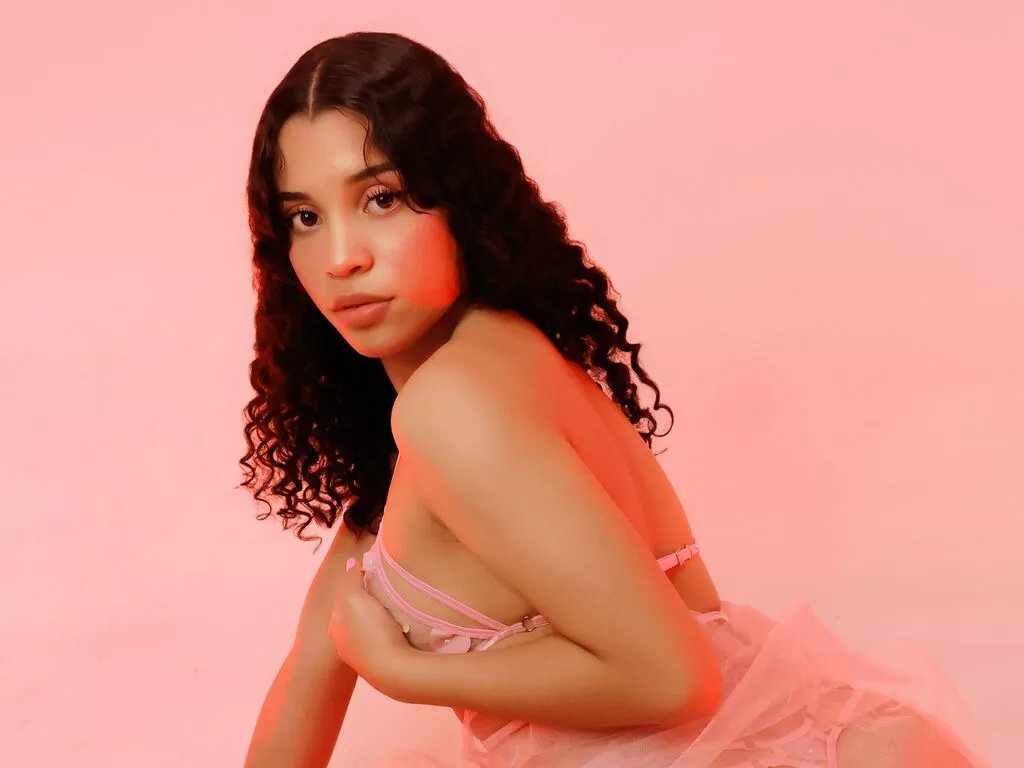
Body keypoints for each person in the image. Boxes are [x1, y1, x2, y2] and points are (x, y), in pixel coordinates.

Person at [239, 32, 989, 768]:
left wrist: (407, 672)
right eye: (305, 217)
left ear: (460, 200)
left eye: (381, 198)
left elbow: (674, 678)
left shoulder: (453, 403)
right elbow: (310, 669)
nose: (341, 257)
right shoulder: (482, 376)